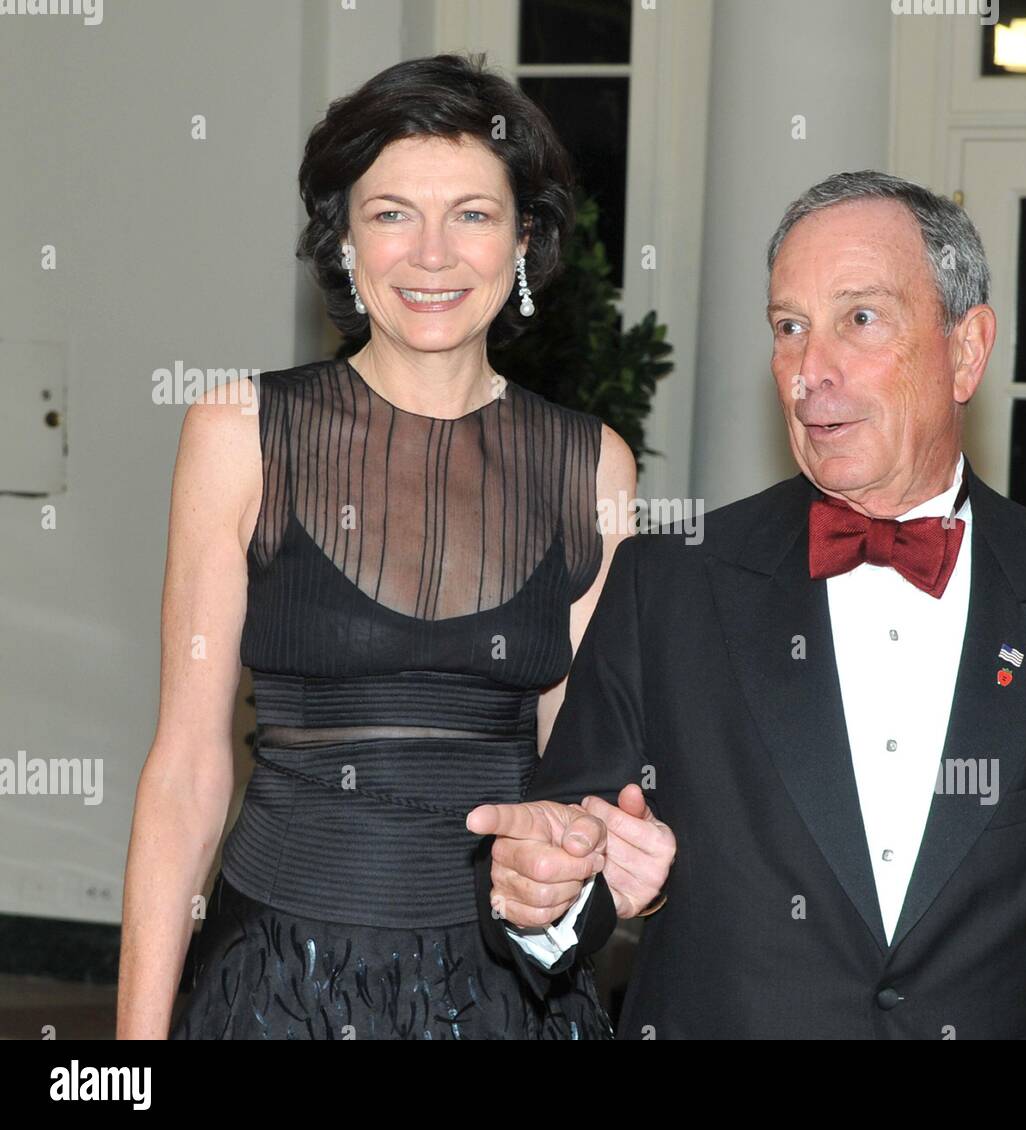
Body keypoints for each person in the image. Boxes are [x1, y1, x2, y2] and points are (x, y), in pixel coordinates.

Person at [470, 170, 1026, 1039]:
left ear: (966, 349)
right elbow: (564, 883)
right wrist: (546, 901)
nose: (809, 371)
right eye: (790, 328)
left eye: (859, 319)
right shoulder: (666, 588)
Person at [116, 53, 639, 1040]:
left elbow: (577, 785)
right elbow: (185, 772)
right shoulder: (239, 435)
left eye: (474, 215)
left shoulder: (595, 470)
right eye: (392, 213)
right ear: (345, 243)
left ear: (524, 241)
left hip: (506, 997)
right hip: (274, 984)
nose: (431, 255)